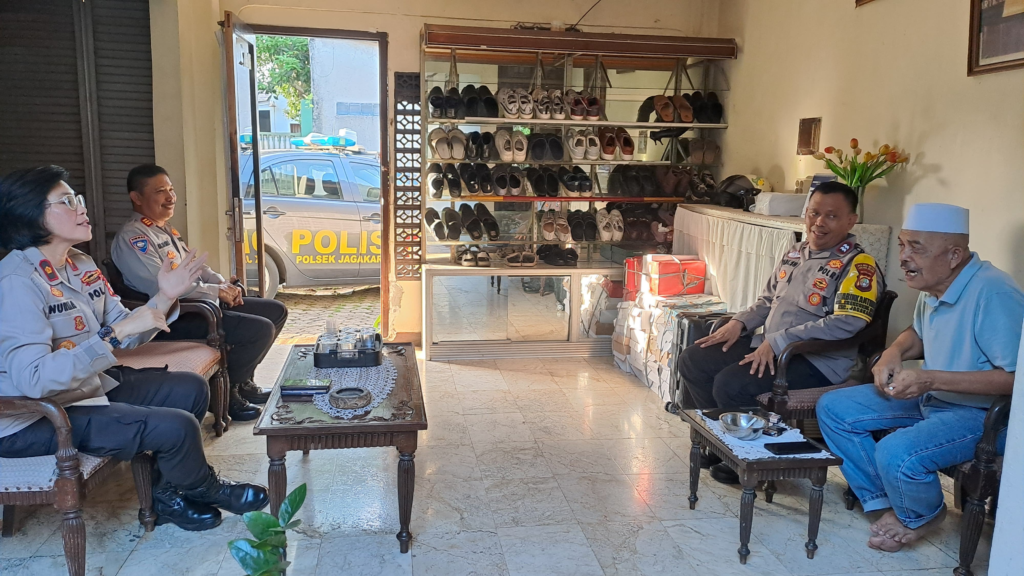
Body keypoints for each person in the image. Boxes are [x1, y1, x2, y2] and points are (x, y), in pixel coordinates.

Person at [0, 166, 269, 531]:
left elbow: (127, 330)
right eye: (67, 202)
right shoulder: (17, 282)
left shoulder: (80, 264)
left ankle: (168, 495)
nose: (82, 208)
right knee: (176, 427)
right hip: (35, 418)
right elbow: (33, 381)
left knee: (190, 388)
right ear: (30, 214)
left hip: (83, 388)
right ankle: (206, 488)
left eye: (78, 199)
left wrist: (166, 295)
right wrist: (112, 334)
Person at [817, 203, 1023, 553]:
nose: (903, 257)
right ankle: (887, 503)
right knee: (835, 408)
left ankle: (922, 514)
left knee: (896, 451)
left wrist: (929, 379)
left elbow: (1015, 379)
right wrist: (894, 352)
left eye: (916, 248)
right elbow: (918, 332)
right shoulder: (934, 284)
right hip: (935, 397)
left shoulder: (994, 293)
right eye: (902, 244)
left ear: (954, 255)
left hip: (985, 416)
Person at [677, 181, 885, 484]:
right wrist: (740, 323)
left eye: (831, 216)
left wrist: (780, 341)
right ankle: (721, 443)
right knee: (694, 360)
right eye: (814, 213)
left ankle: (749, 459)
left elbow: (848, 323)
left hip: (815, 361)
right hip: (771, 346)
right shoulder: (795, 252)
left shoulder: (858, 265)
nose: (819, 222)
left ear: (850, 221)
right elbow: (766, 301)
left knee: (731, 384)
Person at [112, 164, 288, 421]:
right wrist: (216, 292)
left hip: (198, 303)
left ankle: (242, 381)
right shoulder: (134, 237)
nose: (170, 197)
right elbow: (162, 288)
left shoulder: (164, 230)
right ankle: (225, 396)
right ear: (136, 197)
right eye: (160, 191)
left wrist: (223, 284)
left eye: (171, 189)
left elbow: (196, 268)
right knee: (258, 330)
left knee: (275, 310)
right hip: (174, 317)